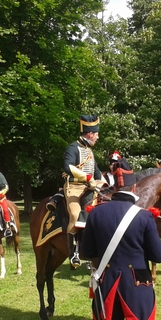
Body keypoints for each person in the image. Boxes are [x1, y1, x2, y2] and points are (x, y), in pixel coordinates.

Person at [80, 172, 161, 320]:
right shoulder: (144, 217)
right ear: (135, 187)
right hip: (136, 283)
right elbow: (159, 255)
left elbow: (85, 252)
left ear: (114, 188)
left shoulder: (96, 213)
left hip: (106, 281)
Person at [62, 114, 104, 268]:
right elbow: (68, 167)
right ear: (90, 133)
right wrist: (87, 177)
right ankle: (73, 253)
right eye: (96, 135)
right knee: (74, 214)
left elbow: (97, 171)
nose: (97, 138)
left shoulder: (90, 151)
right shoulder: (73, 148)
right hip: (73, 187)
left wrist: (106, 184)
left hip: (90, 188)